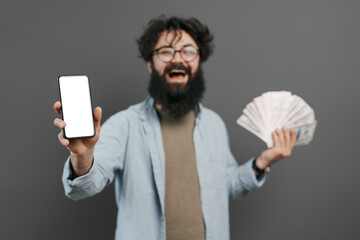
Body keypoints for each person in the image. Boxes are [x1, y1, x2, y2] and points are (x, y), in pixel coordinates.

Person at [53, 16, 296, 240]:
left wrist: (262, 162)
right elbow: (84, 187)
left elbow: (225, 186)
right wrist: (82, 157)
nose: (178, 58)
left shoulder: (214, 125)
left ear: (198, 61)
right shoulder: (124, 125)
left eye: (188, 50)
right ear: (150, 63)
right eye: (166, 51)